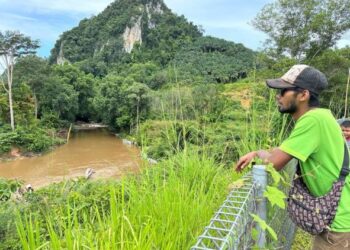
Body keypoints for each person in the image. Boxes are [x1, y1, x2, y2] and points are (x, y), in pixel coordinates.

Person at [235, 65, 350, 249]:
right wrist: (258, 153)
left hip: (338, 226)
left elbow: (274, 162)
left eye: (282, 91)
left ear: (303, 95)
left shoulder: (312, 121)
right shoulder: (322, 117)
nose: (277, 96)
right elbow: (282, 150)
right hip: (339, 216)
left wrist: (258, 154)